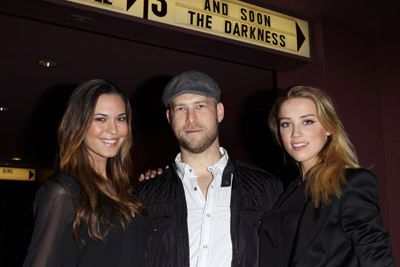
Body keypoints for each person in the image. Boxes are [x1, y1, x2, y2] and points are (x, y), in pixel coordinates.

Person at [136, 70, 283, 267]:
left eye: (200, 106)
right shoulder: (145, 194)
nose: (191, 119)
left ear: (219, 112)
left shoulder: (266, 187)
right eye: (181, 108)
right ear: (169, 117)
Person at [259, 85, 396, 267]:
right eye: (286, 124)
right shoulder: (288, 192)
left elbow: (376, 257)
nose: (295, 133)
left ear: (328, 128)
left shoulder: (350, 183)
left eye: (307, 121)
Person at [23, 79, 148, 267]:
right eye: (101, 119)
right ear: (79, 124)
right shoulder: (64, 191)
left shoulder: (124, 191)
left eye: (120, 119)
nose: (113, 130)